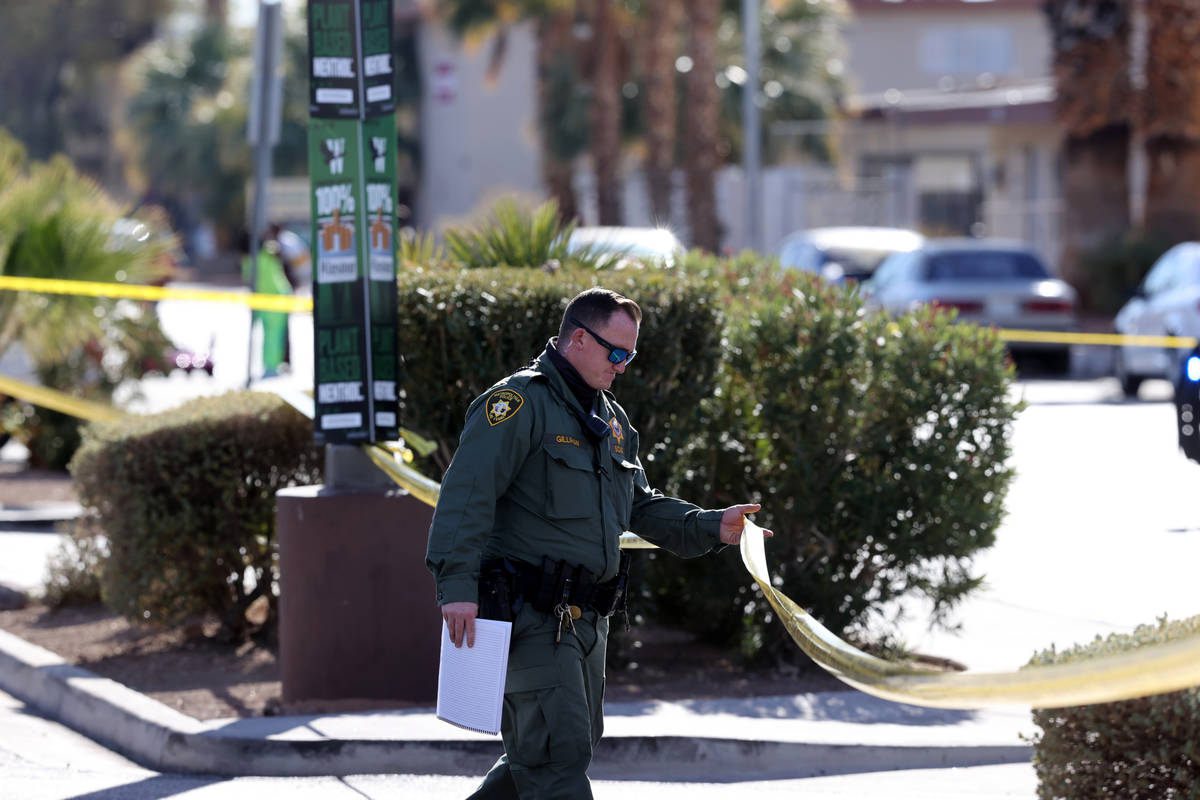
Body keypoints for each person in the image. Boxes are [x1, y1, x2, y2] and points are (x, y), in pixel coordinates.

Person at [426, 287, 772, 799]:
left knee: (546, 760)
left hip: (586, 622)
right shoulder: (519, 403)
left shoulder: (610, 420)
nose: (624, 366)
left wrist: (710, 525)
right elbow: (466, 495)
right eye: (617, 353)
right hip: (531, 616)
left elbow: (639, 505)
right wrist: (456, 584)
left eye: (630, 355)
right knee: (555, 762)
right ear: (579, 340)